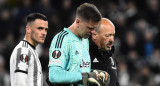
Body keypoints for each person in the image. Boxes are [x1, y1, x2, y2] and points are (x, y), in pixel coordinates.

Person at [48, 3, 109, 86]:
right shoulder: (63, 39)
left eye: (94, 28)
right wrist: (86, 76)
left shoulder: (85, 39)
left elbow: (78, 70)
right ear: (78, 21)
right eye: (90, 28)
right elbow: (54, 76)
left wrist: (95, 74)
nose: (92, 32)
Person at [10, 13, 48, 86]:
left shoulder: (31, 50)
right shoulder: (24, 50)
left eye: (46, 29)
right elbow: (20, 83)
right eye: (40, 28)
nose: (44, 33)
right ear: (28, 29)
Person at [89, 18, 120, 86]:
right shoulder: (84, 52)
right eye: (107, 36)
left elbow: (115, 83)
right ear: (95, 35)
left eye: (113, 35)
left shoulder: (111, 56)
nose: (112, 40)